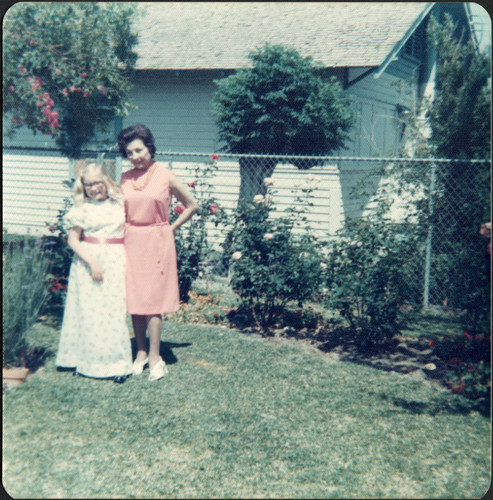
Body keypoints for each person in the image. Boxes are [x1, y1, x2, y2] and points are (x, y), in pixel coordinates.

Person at [117, 124, 198, 381]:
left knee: (152, 302)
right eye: (130, 152)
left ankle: (155, 357)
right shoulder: (125, 178)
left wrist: (169, 228)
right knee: (135, 300)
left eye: (139, 150)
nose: (135, 156)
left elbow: (192, 205)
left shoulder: (165, 175)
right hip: (130, 240)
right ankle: (140, 352)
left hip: (156, 240)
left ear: (149, 148)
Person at [55, 163, 133, 383]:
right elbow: (73, 240)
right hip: (88, 262)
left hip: (116, 260)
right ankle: (85, 360)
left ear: (106, 181)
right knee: (88, 312)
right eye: (88, 184)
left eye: (97, 183)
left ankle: (116, 363)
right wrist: (92, 262)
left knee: (113, 311)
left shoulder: (120, 204)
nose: (93, 188)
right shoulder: (82, 208)